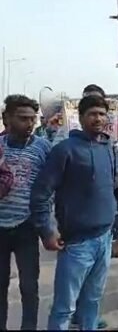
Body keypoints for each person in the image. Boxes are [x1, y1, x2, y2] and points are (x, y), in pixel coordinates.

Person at [30, 95, 117, 330]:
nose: (98, 119)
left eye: (102, 114)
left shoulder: (107, 147)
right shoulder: (65, 150)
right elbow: (40, 194)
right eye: (92, 114)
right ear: (81, 117)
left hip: (104, 239)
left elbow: (110, 187)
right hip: (77, 243)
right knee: (65, 308)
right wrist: (47, 231)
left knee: (92, 301)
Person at [69, 84, 118, 330]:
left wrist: (102, 188)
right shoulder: (68, 137)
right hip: (76, 224)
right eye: (91, 109)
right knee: (72, 282)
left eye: (102, 111)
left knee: (95, 282)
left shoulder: (110, 141)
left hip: (102, 220)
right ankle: (73, 314)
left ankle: (87, 317)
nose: (98, 117)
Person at [0, 95, 48, 330]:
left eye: (32, 119)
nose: (29, 124)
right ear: (7, 119)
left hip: (27, 227)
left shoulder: (43, 148)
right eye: (22, 118)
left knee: (29, 287)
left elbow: (51, 187)